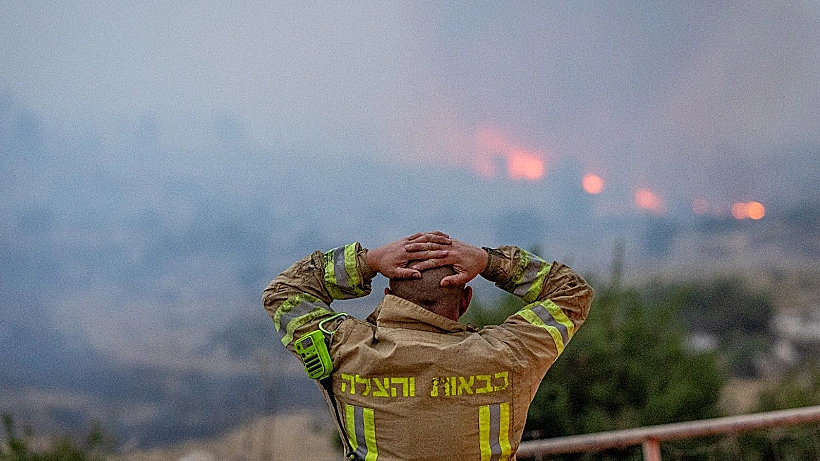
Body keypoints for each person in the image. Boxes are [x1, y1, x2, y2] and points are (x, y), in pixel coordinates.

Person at [263, 231, 593, 460]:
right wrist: (490, 262)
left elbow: (284, 293)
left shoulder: (346, 349)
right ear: (465, 301)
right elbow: (573, 293)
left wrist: (368, 261)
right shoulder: (510, 353)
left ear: (389, 296)